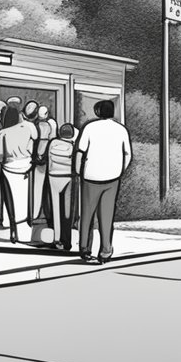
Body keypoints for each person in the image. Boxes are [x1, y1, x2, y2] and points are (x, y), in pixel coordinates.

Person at [75, 100, 132, 264]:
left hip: (90, 177)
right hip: (112, 178)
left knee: (87, 215)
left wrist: (79, 172)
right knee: (106, 217)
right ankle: (105, 251)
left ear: (98, 111)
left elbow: (80, 151)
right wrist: (120, 170)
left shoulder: (90, 128)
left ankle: (85, 249)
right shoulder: (121, 129)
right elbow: (127, 154)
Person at [0, 105, 38, 244]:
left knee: (9, 198)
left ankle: (10, 227)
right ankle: (24, 233)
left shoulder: (3, 133)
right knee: (23, 199)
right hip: (25, 166)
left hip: (9, 166)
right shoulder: (27, 128)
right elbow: (35, 138)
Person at [47, 123, 79, 251]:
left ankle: (57, 239)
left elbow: (49, 160)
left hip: (53, 176)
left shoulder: (53, 143)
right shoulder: (73, 146)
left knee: (55, 210)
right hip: (68, 178)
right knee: (66, 212)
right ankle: (66, 242)